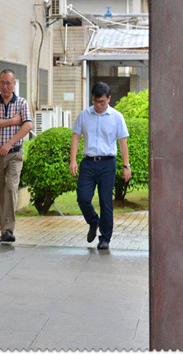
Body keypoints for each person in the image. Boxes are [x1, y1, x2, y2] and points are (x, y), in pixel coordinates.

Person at [69, 82, 131, 250]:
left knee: (106, 202)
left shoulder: (117, 117)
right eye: (96, 102)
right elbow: (76, 136)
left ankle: (105, 238)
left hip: (107, 164)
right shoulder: (84, 115)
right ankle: (93, 221)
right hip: (88, 163)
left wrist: (126, 166)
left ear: (109, 99)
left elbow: (123, 141)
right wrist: (73, 160)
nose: (98, 105)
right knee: (82, 198)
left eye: (102, 102)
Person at [0, 69, 33, 243]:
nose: (5, 86)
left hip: (14, 154)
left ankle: (8, 230)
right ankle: (3, 229)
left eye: (8, 83)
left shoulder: (21, 102)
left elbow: (28, 125)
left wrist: (9, 143)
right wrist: (13, 121)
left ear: (14, 84)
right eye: (2, 82)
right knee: (0, 192)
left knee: (11, 189)